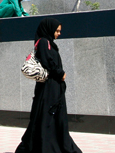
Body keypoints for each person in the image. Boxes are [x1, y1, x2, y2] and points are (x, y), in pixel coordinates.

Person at [16, 18, 82, 153]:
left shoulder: (49, 43)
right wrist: (60, 73)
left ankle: (55, 146)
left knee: (52, 118)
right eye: (57, 31)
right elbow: (48, 61)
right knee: (47, 118)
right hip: (49, 89)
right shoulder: (44, 42)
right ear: (49, 29)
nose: (59, 33)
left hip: (53, 87)